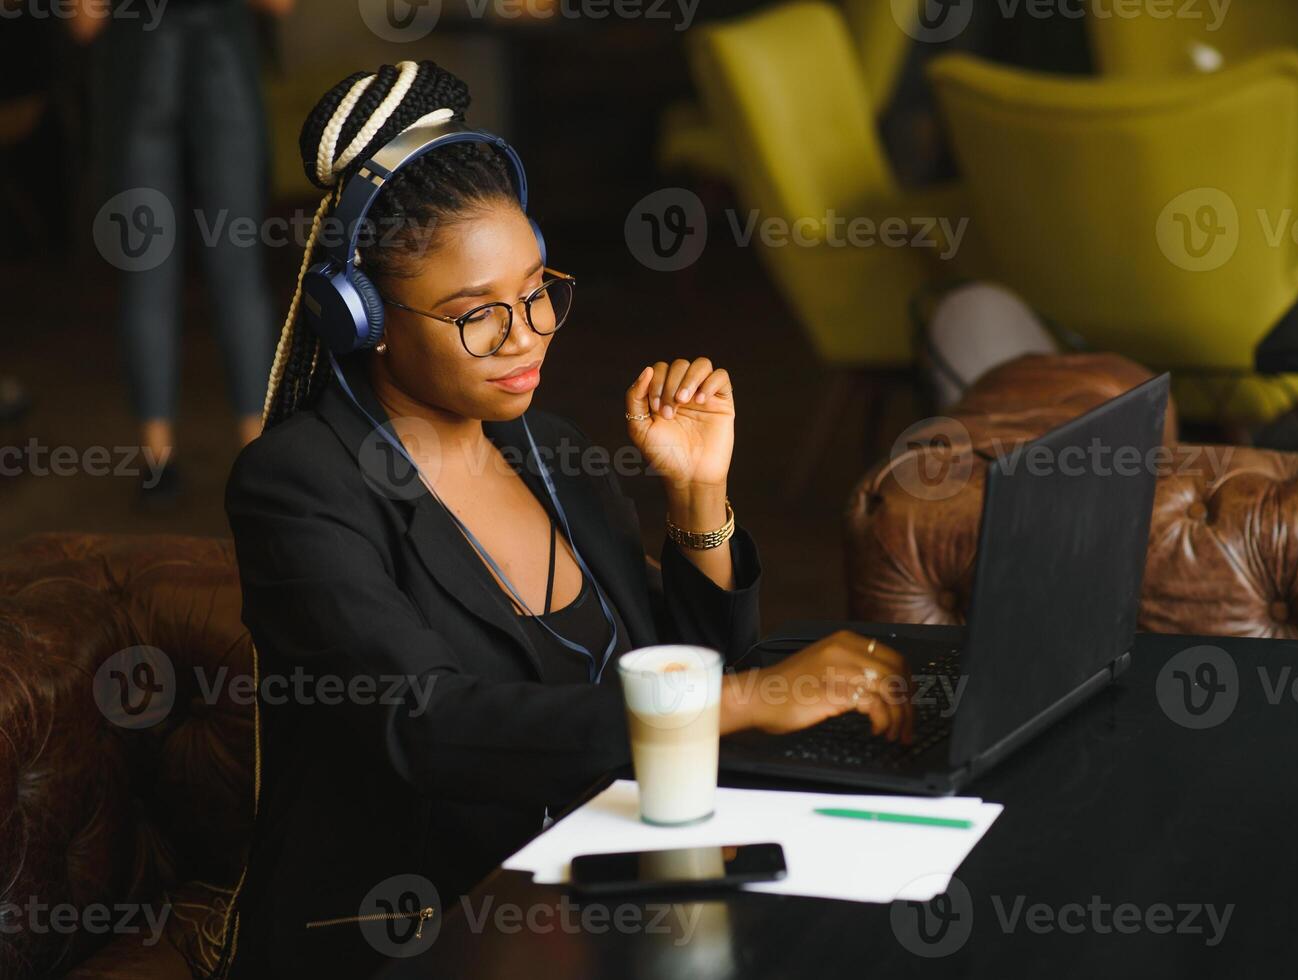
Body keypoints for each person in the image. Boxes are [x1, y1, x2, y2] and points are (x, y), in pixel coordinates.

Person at [221, 61, 914, 975]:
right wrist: (743, 704)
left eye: (538, 290)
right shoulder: (300, 485)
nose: (527, 335)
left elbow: (685, 662)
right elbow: (421, 724)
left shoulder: (545, 447)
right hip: (412, 930)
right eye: (477, 315)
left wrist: (699, 495)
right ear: (363, 319)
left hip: (589, 889)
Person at [72, 0, 292, 506]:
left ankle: (157, 462)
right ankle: (255, 456)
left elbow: (83, 20)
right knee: (236, 269)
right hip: (221, 67)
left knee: (147, 269)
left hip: (138, 72)